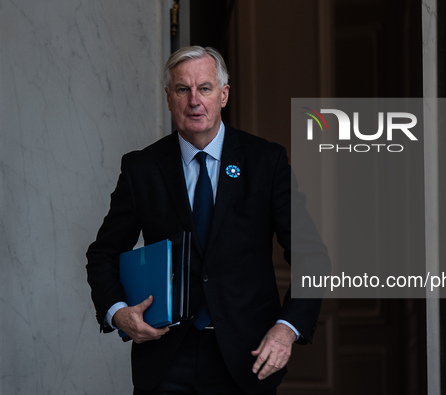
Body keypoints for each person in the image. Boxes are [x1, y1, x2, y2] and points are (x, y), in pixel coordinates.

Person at [86, 46, 329, 394]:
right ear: (169, 98)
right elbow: (103, 254)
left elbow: (312, 257)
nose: (194, 101)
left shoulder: (265, 162)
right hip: (165, 357)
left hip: (248, 359)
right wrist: (118, 312)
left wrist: (286, 328)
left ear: (224, 95)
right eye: (183, 89)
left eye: (205, 88)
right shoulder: (142, 168)